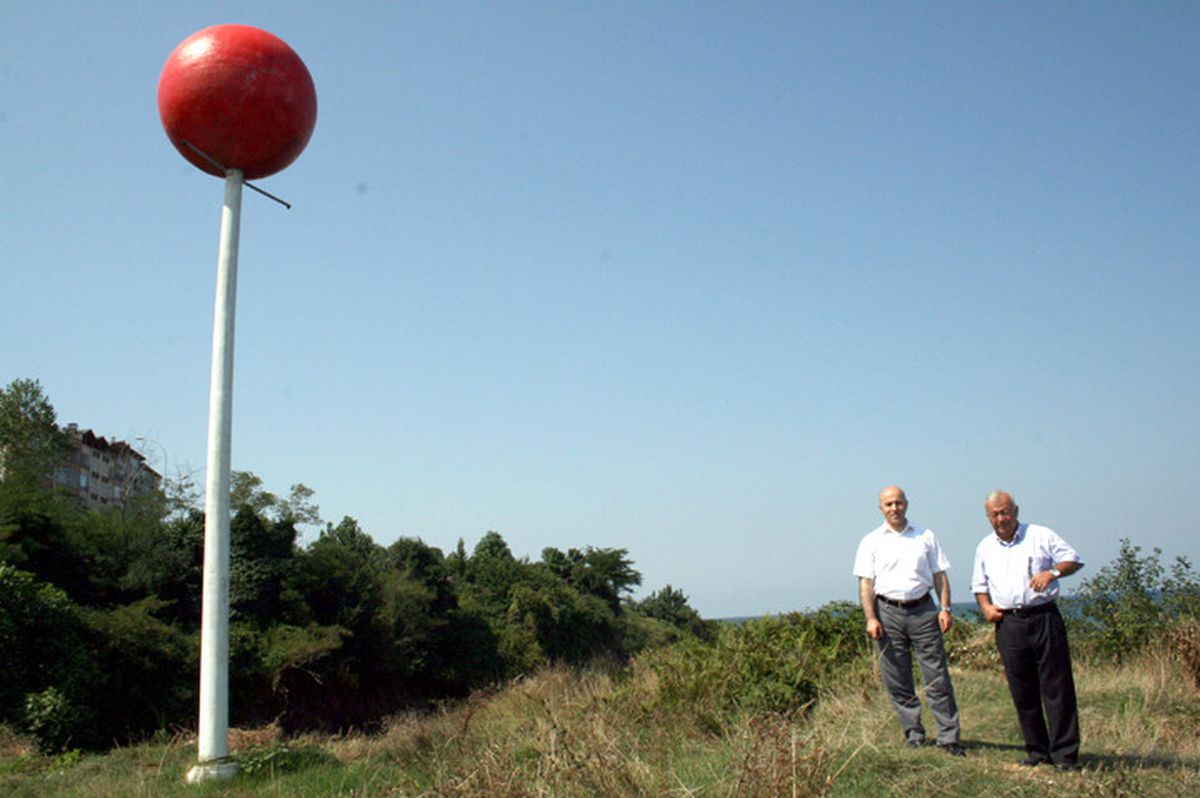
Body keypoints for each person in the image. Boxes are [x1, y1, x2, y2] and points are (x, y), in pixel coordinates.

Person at [972, 490, 1083, 771]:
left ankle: (1065, 756)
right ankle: (1037, 751)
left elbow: (1073, 559)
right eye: (994, 514)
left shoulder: (1040, 535)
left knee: (1057, 687)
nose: (1001, 518)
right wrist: (986, 608)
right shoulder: (985, 547)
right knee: (1022, 690)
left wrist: (1052, 573)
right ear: (988, 517)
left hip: (1043, 617)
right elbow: (979, 586)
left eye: (1005, 512)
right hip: (1009, 625)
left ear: (1016, 511)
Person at [853, 486, 964, 756]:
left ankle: (949, 738)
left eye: (898, 503)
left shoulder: (925, 536)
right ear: (880, 508)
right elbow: (866, 584)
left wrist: (945, 608)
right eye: (889, 504)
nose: (894, 508)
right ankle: (914, 733)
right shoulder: (871, 541)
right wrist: (870, 618)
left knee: (936, 675)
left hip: (923, 610)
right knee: (897, 677)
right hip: (887, 612)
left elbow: (940, 575)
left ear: (906, 505)